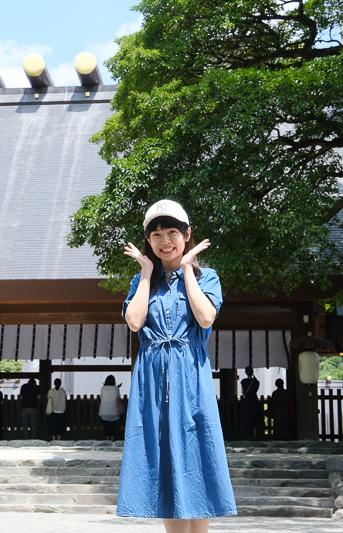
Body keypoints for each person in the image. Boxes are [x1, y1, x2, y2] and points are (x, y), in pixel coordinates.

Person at [120, 199, 237, 531]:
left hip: (190, 377)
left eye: (172, 231)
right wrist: (145, 275)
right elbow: (134, 321)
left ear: (187, 235)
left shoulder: (206, 277)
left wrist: (187, 270)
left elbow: (205, 317)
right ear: (149, 241)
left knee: (196, 455)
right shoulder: (143, 281)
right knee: (165, 462)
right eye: (156, 234)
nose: (164, 240)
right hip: (152, 381)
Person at [98, 375, 123, 442]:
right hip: (114, 410)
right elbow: (118, 398)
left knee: (106, 427)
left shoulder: (103, 388)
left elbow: (102, 397)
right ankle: (112, 440)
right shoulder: (116, 388)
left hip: (104, 410)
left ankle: (107, 440)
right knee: (113, 427)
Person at [240, 366, 260, 441]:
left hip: (247, 400)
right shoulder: (256, 382)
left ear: (246, 372)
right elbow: (256, 389)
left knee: (248, 418)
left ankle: (248, 434)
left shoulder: (243, 381)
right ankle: (255, 435)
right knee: (255, 417)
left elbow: (242, 392)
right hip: (254, 399)